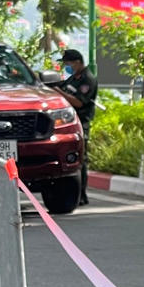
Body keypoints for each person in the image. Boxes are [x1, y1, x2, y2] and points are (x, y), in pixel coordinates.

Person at [53, 48, 97, 206]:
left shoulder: (87, 80)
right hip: (68, 121)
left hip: (81, 123)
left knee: (81, 159)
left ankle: (82, 194)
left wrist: (59, 93)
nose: (67, 66)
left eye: (69, 63)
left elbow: (79, 102)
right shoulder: (73, 79)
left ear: (78, 62)